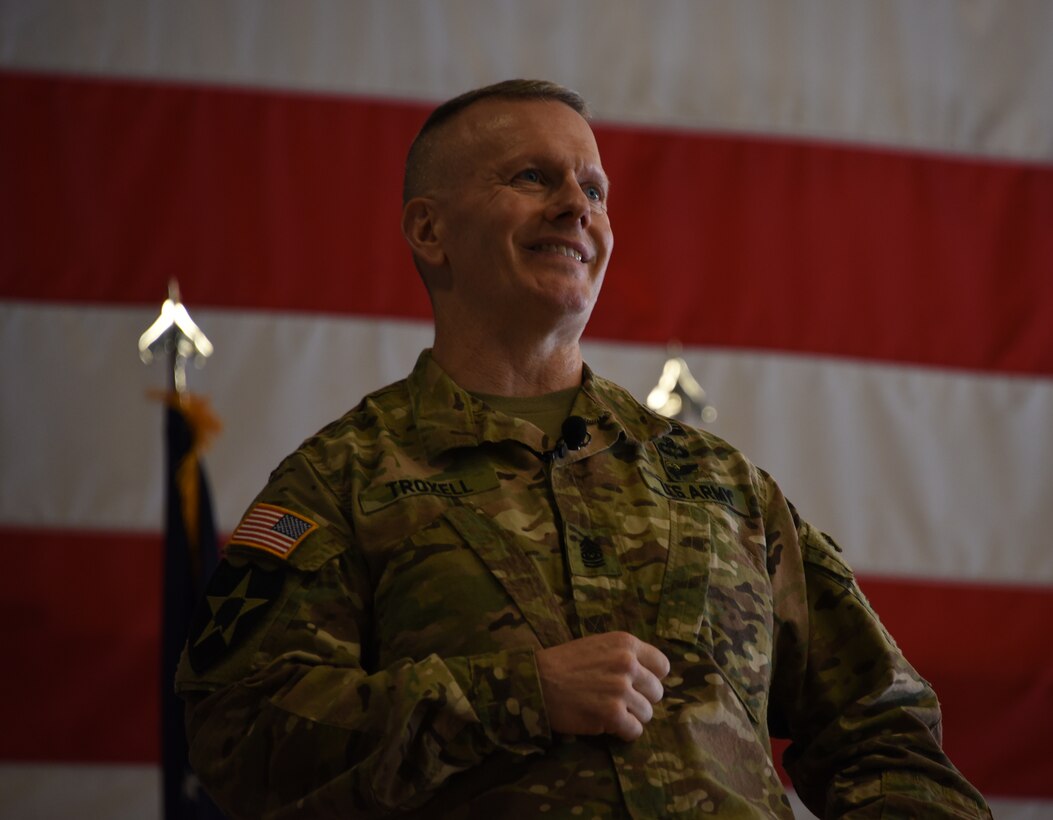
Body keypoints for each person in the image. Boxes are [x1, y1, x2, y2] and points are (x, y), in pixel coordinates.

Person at [176, 79, 991, 819]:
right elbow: (237, 734)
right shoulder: (340, 481)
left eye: (593, 188)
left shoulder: (720, 485)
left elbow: (885, 729)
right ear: (430, 230)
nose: (577, 206)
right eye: (532, 177)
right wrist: (518, 694)